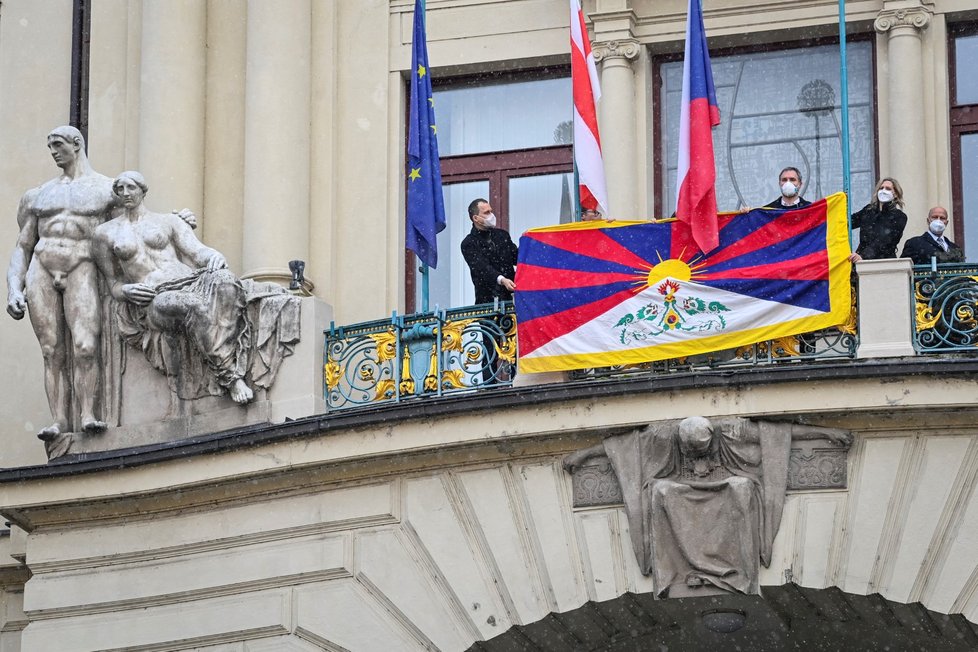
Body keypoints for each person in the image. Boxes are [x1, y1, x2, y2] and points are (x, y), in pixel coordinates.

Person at [563, 416, 851, 597]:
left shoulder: (732, 431)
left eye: (700, 451)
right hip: (682, 490)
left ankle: (731, 570)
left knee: (742, 488)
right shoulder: (663, 437)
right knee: (661, 491)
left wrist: (824, 433)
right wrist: (584, 454)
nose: (695, 457)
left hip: (724, 485)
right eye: (690, 451)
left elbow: (775, 434)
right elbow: (624, 447)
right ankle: (678, 570)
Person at [93, 172, 256, 404]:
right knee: (194, 305)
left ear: (143, 191)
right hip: (156, 297)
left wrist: (214, 256)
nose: (126, 193)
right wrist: (127, 291)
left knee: (227, 282)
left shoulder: (168, 221)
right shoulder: (105, 234)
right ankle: (231, 376)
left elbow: (197, 251)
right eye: (120, 189)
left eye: (131, 187)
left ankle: (226, 355)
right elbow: (113, 284)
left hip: (191, 280)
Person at [6, 126, 114, 437]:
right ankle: (59, 420)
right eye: (50, 145)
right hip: (41, 268)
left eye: (58, 144)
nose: (53, 151)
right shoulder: (38, 195)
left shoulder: (106, 190)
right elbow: (23, 246)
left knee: (84, 346)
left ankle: (89, 414)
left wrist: (179, 221)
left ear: (76, 144)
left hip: (81, 264)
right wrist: (14, 288)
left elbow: (131, 230)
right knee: (51, 350)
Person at [460, 198, 518, 304]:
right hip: (488, 304)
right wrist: (502, 279)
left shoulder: (502, 235)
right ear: (476, 218)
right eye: (487, 213)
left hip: (513, 299)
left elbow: (517, 257)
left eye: (491, 211)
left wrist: (531, 245)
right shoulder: (468, 244)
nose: (491, 215)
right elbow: (482, 268)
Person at [848, 177, 908, 263]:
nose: (883, 191)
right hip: (861, 262)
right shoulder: (868, 211)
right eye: (881, 188)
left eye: (888, 189)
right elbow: (849, 222)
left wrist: (864, 256)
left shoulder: (899, 217)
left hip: (884, 263)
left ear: (895, 194)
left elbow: (885, 240)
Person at [900, 206, 965, 266]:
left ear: (946, 223)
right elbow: (904, 269)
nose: (938, 220)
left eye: (942, 218)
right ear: (928, 221)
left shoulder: (955, 248)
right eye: (935, 217)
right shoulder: (914, 243)